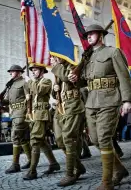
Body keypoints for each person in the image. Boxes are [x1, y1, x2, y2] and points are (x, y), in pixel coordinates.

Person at [68, 24, 131, 190]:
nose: (88, 37)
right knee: (96, 140)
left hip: (110, 99)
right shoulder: (87, 58)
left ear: (101, 35)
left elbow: (124, 77)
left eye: (92, 34)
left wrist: (127, 100)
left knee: (104, 138)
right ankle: (119, 170)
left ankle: (107, 182)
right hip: (91, 102)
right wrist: (75, 79)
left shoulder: (113, 52)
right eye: (87, 35)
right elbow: (86, 81)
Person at [51, 56, 86, 186]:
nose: (54, 58)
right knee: (60, 141)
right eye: (54, 56)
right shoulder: (58, 69)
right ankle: (79, 166)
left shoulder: (73, 66)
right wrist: (54, 90)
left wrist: (55, 67)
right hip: (61, 107)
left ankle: (70, 174)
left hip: (73, 106)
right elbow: (56, 93)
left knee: (69, 139)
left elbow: (68, 77)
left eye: (57, 55)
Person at [23, 63, 60, 180]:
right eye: (32, 70)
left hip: (41, 113)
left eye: (35, 70)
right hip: (33, 113)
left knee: (35, 140)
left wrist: (30, 81)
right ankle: (54, 164)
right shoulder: (33, 82)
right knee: (42, 141)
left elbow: (39, 91)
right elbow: (28, 96)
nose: (33, 72)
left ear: (42, 71)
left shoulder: (46, 81)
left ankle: (32, 171)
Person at [0, 65, 32, 173]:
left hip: (22, 113)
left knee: (15, 136)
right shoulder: (11, 85)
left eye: (12, 71)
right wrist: (0, 101)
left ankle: (15, 164)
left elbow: (29, 99)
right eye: (10, 71)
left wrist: (28, 112)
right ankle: (31, 160)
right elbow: (9, 100)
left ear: (18, 72)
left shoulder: (24, 83)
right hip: (14, 113)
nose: (10, 73)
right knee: (23, 139)